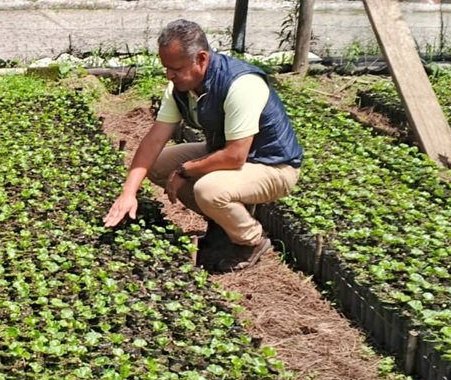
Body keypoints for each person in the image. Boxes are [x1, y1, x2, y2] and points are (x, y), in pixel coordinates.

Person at [103, 20, 303, 272]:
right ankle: (223, 223)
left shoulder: (241, 84)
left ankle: (250, 240)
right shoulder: (180, 88)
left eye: (175, 68)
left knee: (209, 190)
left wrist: (186, 170)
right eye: (166, 68)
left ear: (202, 58)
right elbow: (154, 140)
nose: (169, 75)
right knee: (159, 165)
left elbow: (235, 157)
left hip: (272, 164)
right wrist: (128, 193)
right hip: (226, 154)